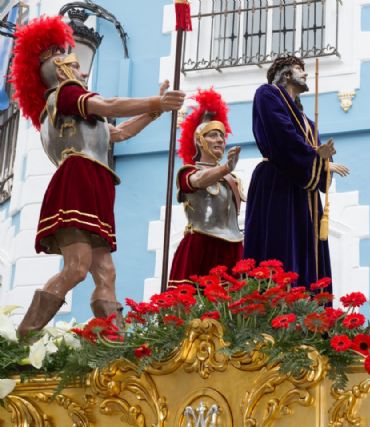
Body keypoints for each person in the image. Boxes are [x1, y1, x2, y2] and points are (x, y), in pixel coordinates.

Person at [10, 16, 185, 337]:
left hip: (94, 181)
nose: (84, 72)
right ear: (61, 70)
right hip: (79, 180)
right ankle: (24, 338)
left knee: (106, 272)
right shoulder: (64, 94)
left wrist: (157, 109)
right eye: (76, 67)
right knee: (77, 268)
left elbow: (118, 133)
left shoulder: (72, 109)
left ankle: (112, 345)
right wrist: (154, 101)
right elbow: (110, 105)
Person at [243, 55, 349, 289]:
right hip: (277, 182)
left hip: (303, 192)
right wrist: (318, 159)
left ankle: (310, 310)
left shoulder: (308, 122)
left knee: (305, 246)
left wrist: (323, 161)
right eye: (300, 69)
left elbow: (315, 153)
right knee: (280, 245)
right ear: (286, 74)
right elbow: (282, 135)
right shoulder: (267, 94)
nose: (306, 73)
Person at [168, 88, 243, 287]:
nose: (220, 140)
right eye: (213, 135)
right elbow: (199, 181)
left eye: (222, 136)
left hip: (232, 247)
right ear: (200, 141)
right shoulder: (187, 172)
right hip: (201, 243)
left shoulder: (232, 178)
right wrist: (225, 168)